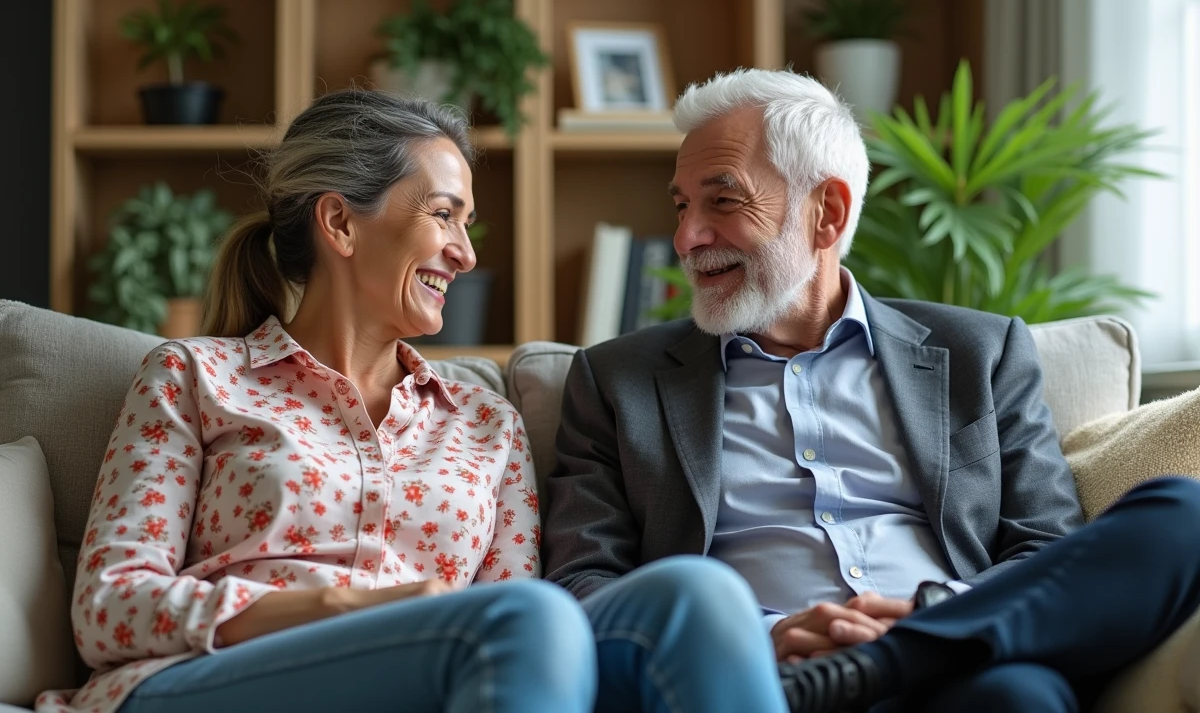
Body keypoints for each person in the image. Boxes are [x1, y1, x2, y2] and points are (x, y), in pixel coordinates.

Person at [37, 90, 775, 713]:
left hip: (428, 672)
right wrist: (339, 606)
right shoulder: (196, 377)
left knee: (694, 595)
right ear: (340, 223)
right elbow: (109, 608)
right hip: (203, 682)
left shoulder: (487, 424)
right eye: (445, 215)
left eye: (466, 224)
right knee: (522, 621)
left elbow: (535, 632)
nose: (466, 252)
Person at [541, 68, 1200, 713]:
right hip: (762, 683)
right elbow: (580, 584)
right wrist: (761, 638)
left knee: (1181, 513)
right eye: (682, 205)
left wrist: (928, 618)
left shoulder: (979, 352)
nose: (686, 238)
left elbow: (1044, 548)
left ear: (826, 214)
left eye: (724, 200)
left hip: (954, 668)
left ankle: (895, 657)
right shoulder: (617, 381)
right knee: (1020, 695)